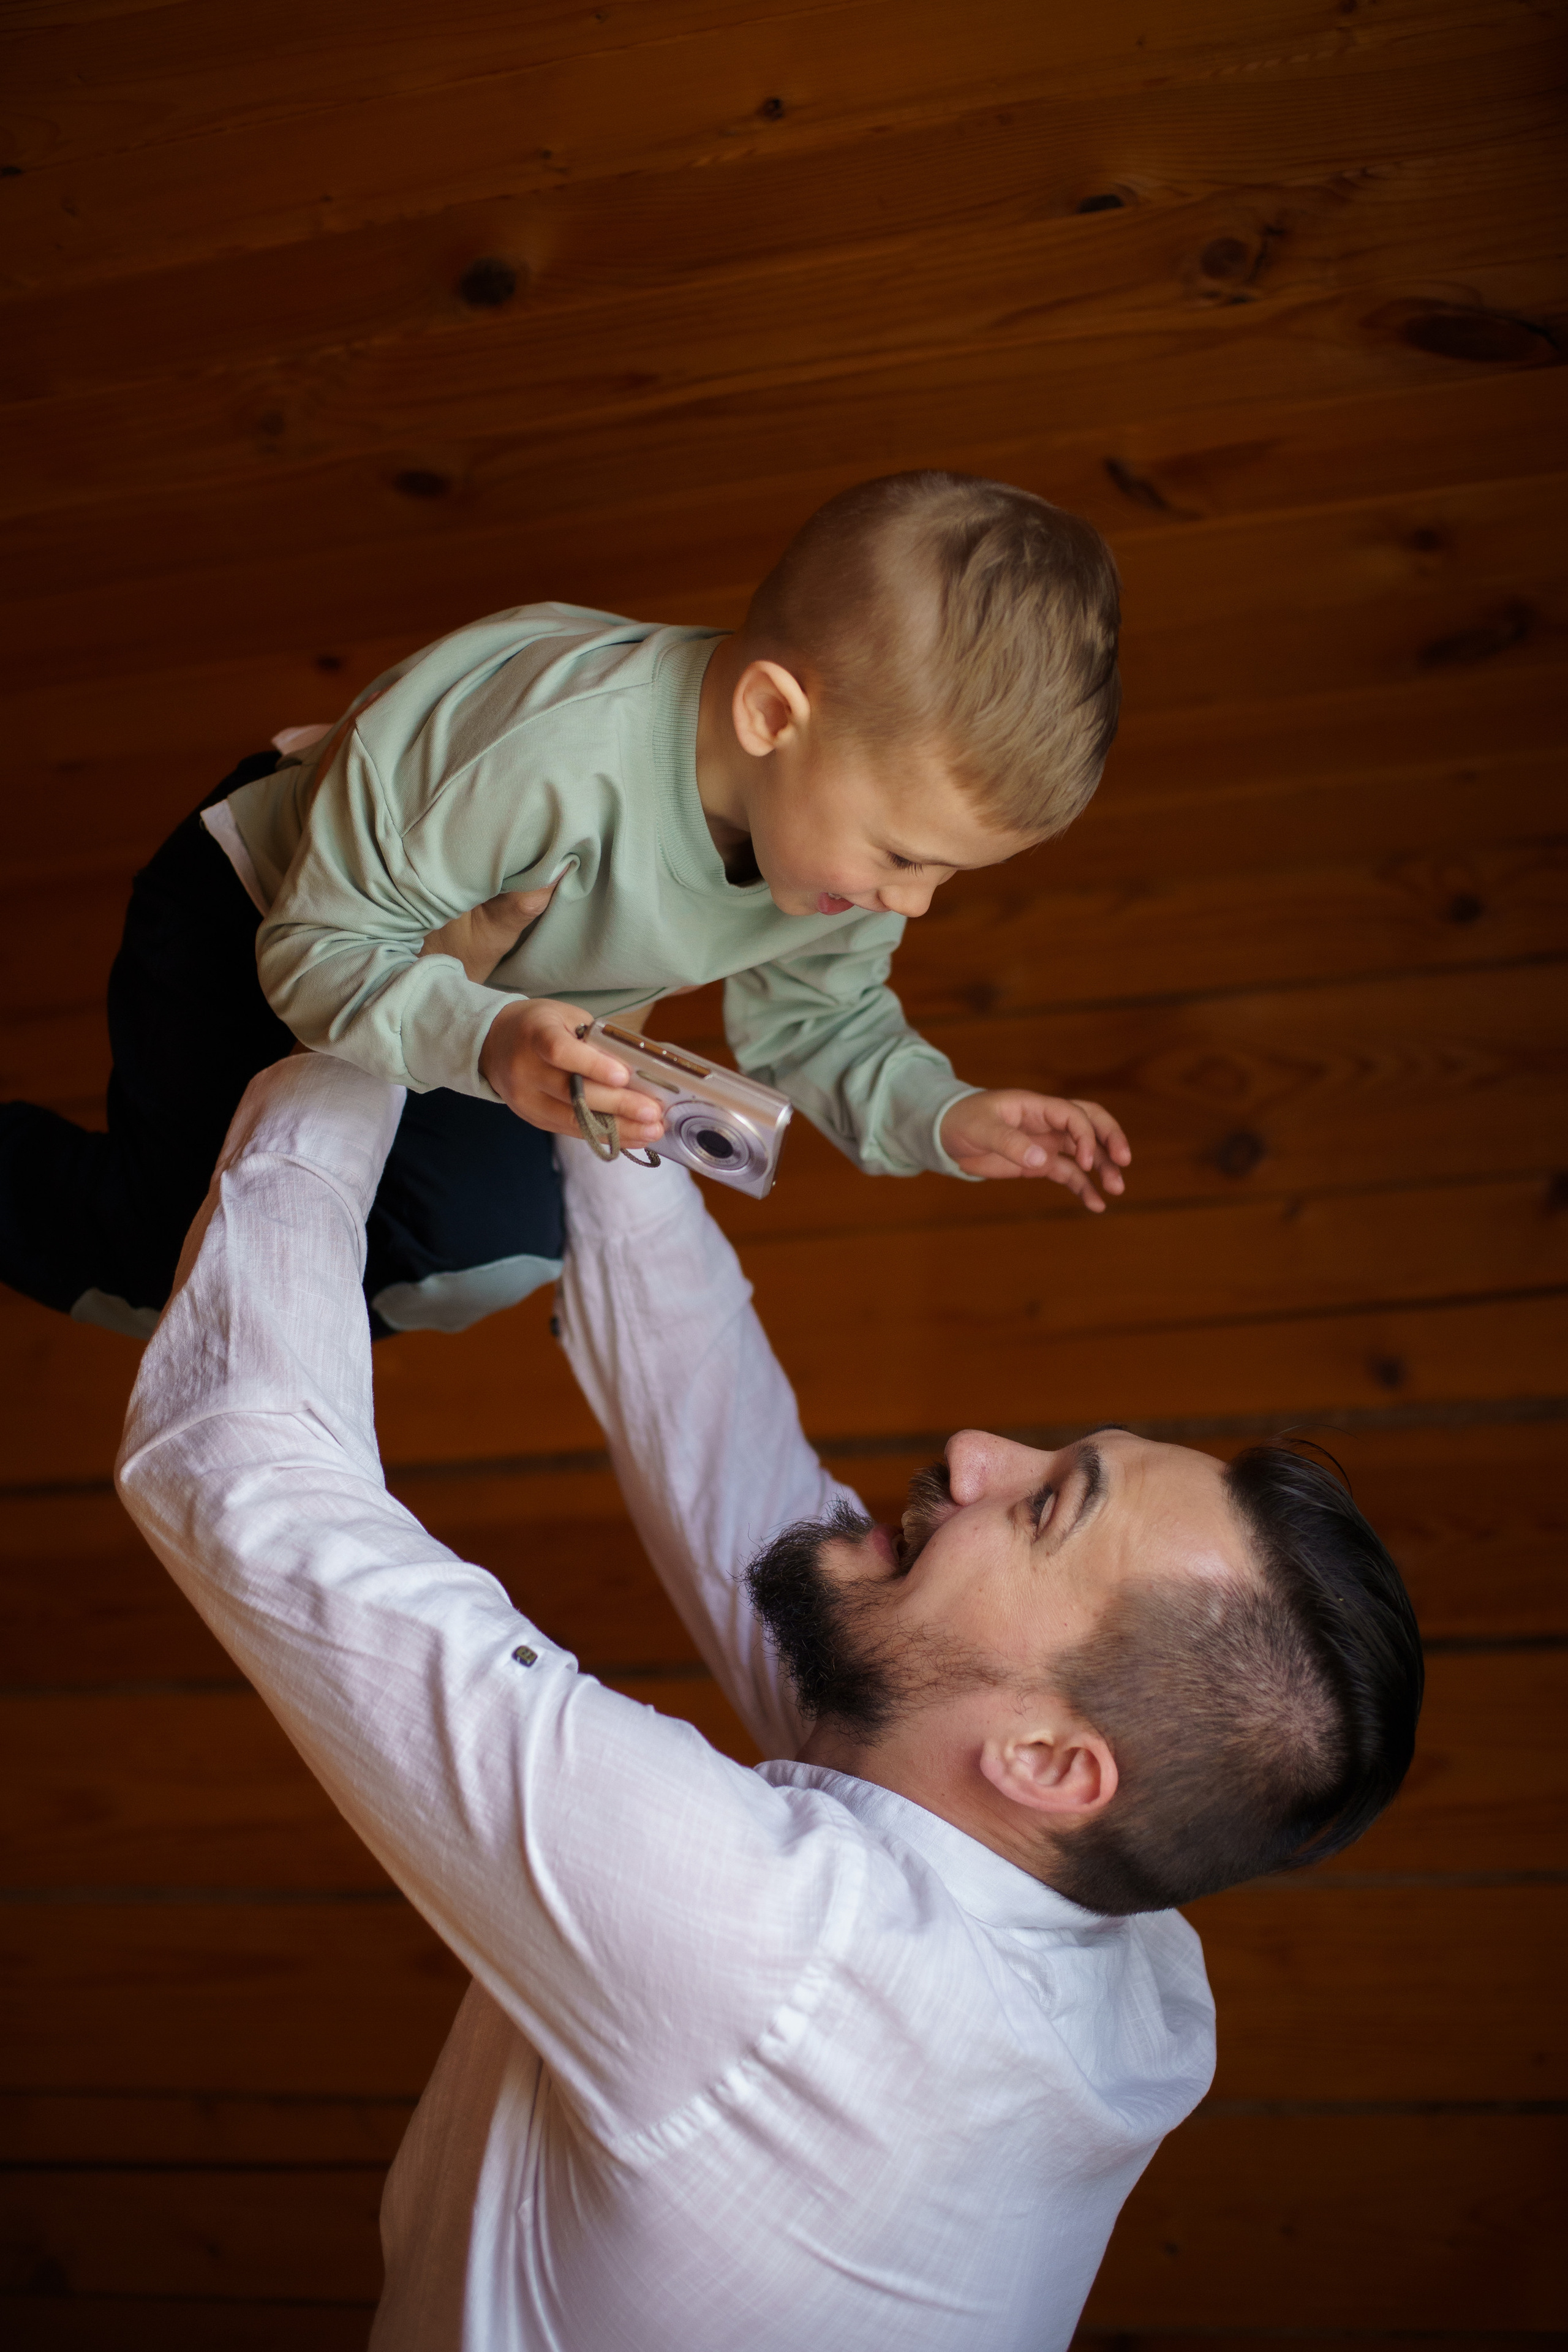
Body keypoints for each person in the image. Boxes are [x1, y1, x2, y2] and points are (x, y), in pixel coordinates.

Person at [117, 1052, 1423, 2350]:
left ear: (1044, 1757)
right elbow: (732, 1470)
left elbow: (241, 1476)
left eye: (1039, 1508)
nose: (974, 1451)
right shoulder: (1121, 1942)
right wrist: (605, 1074)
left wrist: (363, 1027)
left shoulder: (787, 1965)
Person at [1, 472, 1128, 1344]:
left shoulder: (834, 857)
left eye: (945, 875)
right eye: (905, 857)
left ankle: (306, 1269)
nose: (912, 904)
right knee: (173, 1257)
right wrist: (486, 1035)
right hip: (255, 916)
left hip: (468, 992)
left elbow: (818, 1024)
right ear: (773, 716)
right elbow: (314, 948)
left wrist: (945, 1115)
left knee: (492, 1254)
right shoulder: (542, 751)